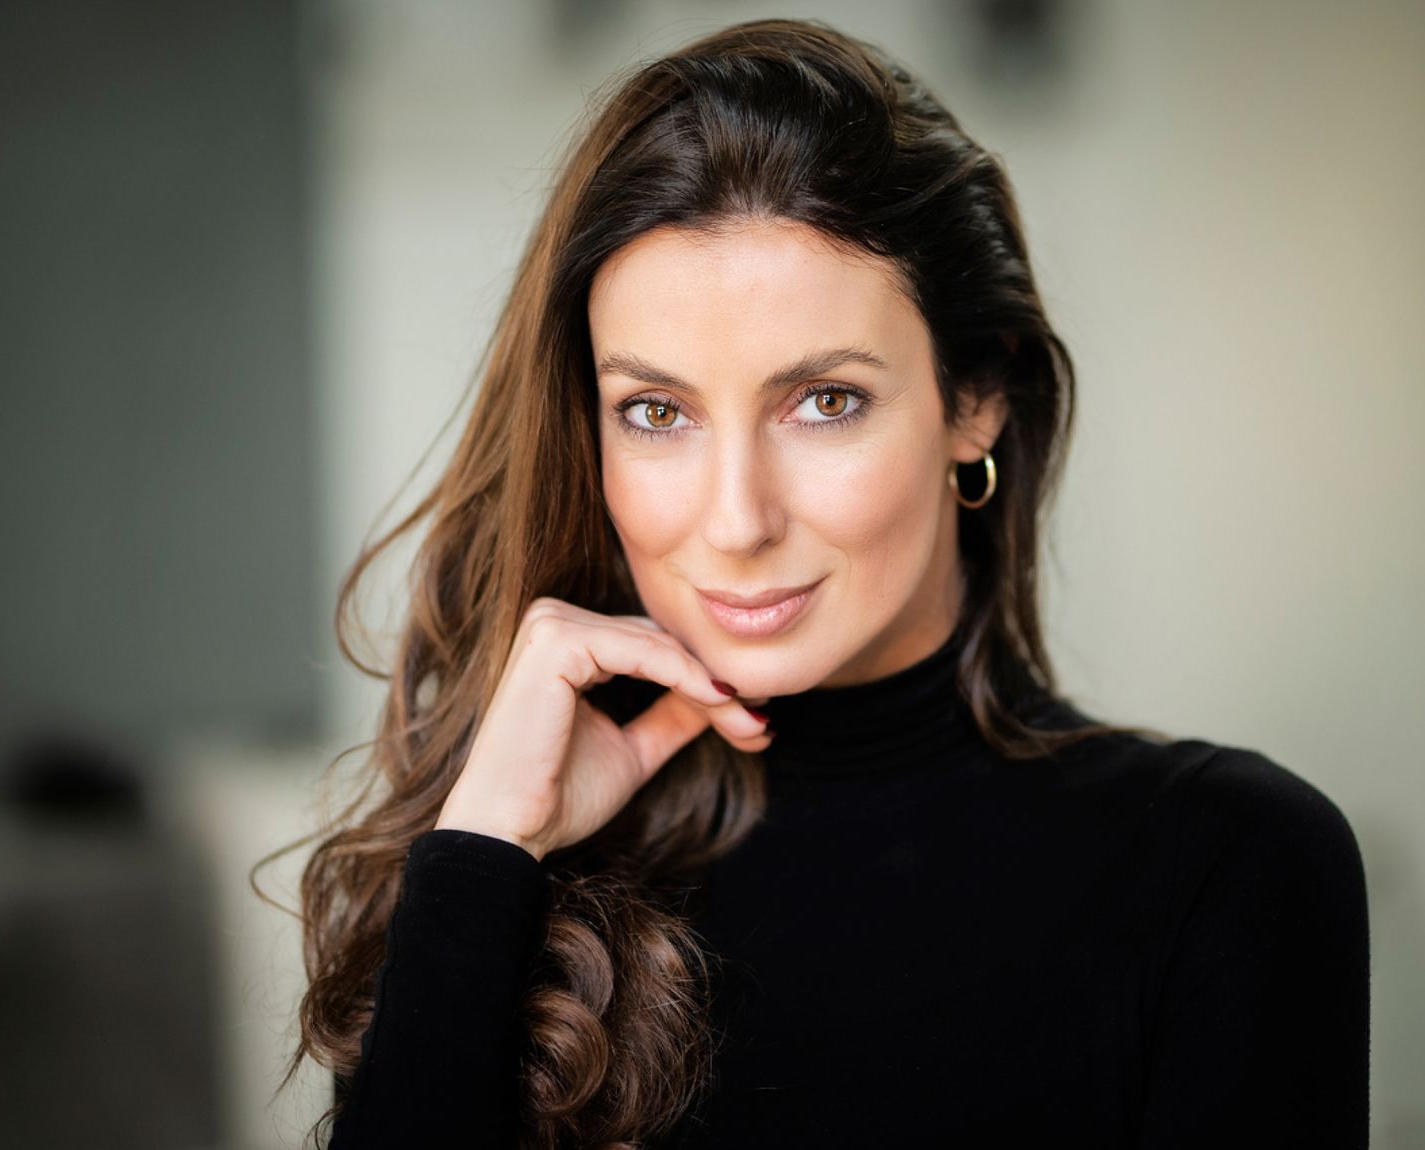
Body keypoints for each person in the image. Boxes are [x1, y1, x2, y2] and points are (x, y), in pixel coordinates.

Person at [280, 17, 1371, 1149]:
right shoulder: (517, 876)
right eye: (657, 413)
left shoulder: (1228, 868)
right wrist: (485, 854)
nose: (737, 519)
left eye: (825, 401)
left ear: (975, 399)